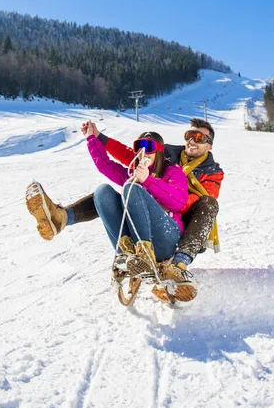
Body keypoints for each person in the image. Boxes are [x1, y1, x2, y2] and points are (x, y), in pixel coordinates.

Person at [26, 118, 224, 302]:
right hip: (148, 206)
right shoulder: (168, 154)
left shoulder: (206, 172)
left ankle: (177, 265)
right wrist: (95, 138)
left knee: (203, 203)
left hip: (179, 224)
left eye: (199, 138)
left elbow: (186, 202)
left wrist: (151, 192)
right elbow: (122, 158)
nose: (191, 140)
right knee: (107, 191)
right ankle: (63, 218)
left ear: (209, 145)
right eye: (189, 135)